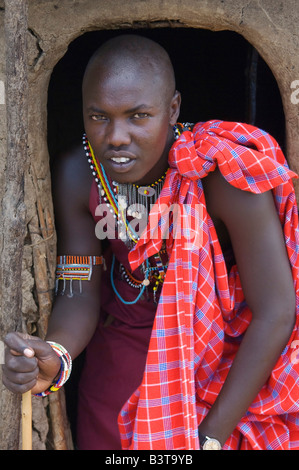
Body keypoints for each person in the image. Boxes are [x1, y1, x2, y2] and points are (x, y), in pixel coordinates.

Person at [2, 34, 299, 451]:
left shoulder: (222, 175)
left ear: (173, 108)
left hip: (218, 373)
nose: (116, 136)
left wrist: (209, 437)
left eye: (138, 116)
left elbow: (276, 311)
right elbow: (78, 291)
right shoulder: (78, 174)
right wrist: (58, 357)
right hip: (118, 366)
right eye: (98, 116)